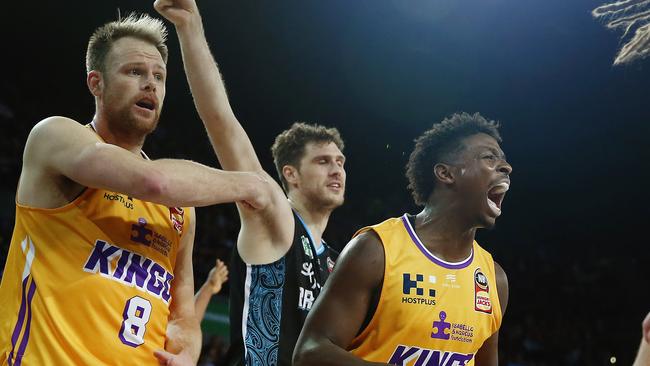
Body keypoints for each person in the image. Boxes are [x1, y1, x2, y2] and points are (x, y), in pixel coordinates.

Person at [0, 13, 271, 366]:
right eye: (134, 72)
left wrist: (187, 348)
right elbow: (152, 182)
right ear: (96, 83)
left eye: (159, 77)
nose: (151, 85)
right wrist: (254, 184)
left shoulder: (180, 208)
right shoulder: (54, 137)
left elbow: (183, 312)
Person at [154, 1, 346, 364]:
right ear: (290, 174)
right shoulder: (276, 217)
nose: (336, 170)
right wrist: (190, 28)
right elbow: (221, 121)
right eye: (322, 161)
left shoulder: (337, 264)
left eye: (340, 162)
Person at [294, 112, 511, 366]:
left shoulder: (494, 280)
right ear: (446, 173)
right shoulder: (376, 250)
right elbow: (310, 352)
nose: (506, 167)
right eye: (489, 157)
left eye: (504, 161)